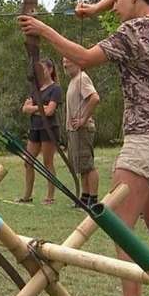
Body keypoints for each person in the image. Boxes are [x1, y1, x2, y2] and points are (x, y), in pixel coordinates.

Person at [19, 0, 149, 296]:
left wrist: (43, 29)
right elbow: (132, 4)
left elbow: (82, 57)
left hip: (144, 141)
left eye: (116, 1)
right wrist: (96, 7)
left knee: (118, 224)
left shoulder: (132, 33)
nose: (113, 9)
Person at [16, 58, 63, 205]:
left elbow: (50, 111)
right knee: (28, 161)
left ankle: (50, 197)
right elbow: (25, 108)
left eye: (43, 70)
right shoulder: (35, 88)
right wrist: (40, 107)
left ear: (50, 70)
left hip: (48, 129)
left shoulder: (55, 89)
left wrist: (35, 108)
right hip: (35, 128)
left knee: (47, 162)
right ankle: (27, 196)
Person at [62, 57, 100, 207]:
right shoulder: (73, 80)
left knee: (88, 164)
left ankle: (94, 199)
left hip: (83, 129)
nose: (65, 64)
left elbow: (95, 98)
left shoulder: (82, 78)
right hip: (74, 130)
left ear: (77, 62)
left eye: (68, 61)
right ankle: (85, 197)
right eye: (63, 62)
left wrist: (83, 118)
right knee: (80, 165)